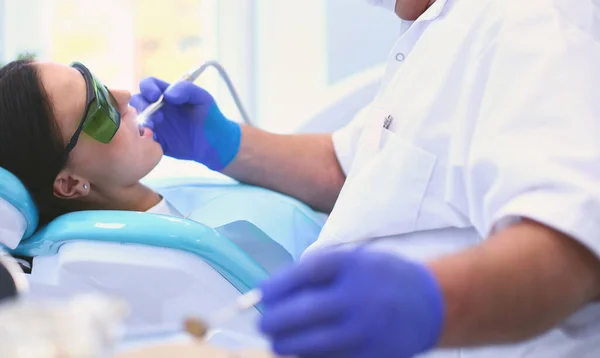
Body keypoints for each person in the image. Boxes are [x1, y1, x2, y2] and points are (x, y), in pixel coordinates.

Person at [131, 0, 600, 356]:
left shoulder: (533, 24)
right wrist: (223, 143)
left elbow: (573, 251)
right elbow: (349, 169)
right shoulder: (436, 31)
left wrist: (433, 302)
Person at [0, 58, 182, 225]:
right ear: (70, 184)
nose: (125, 95)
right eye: (100, 113)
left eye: (99, 86)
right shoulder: (130, 258)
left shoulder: (179, 195)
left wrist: (211, 161)